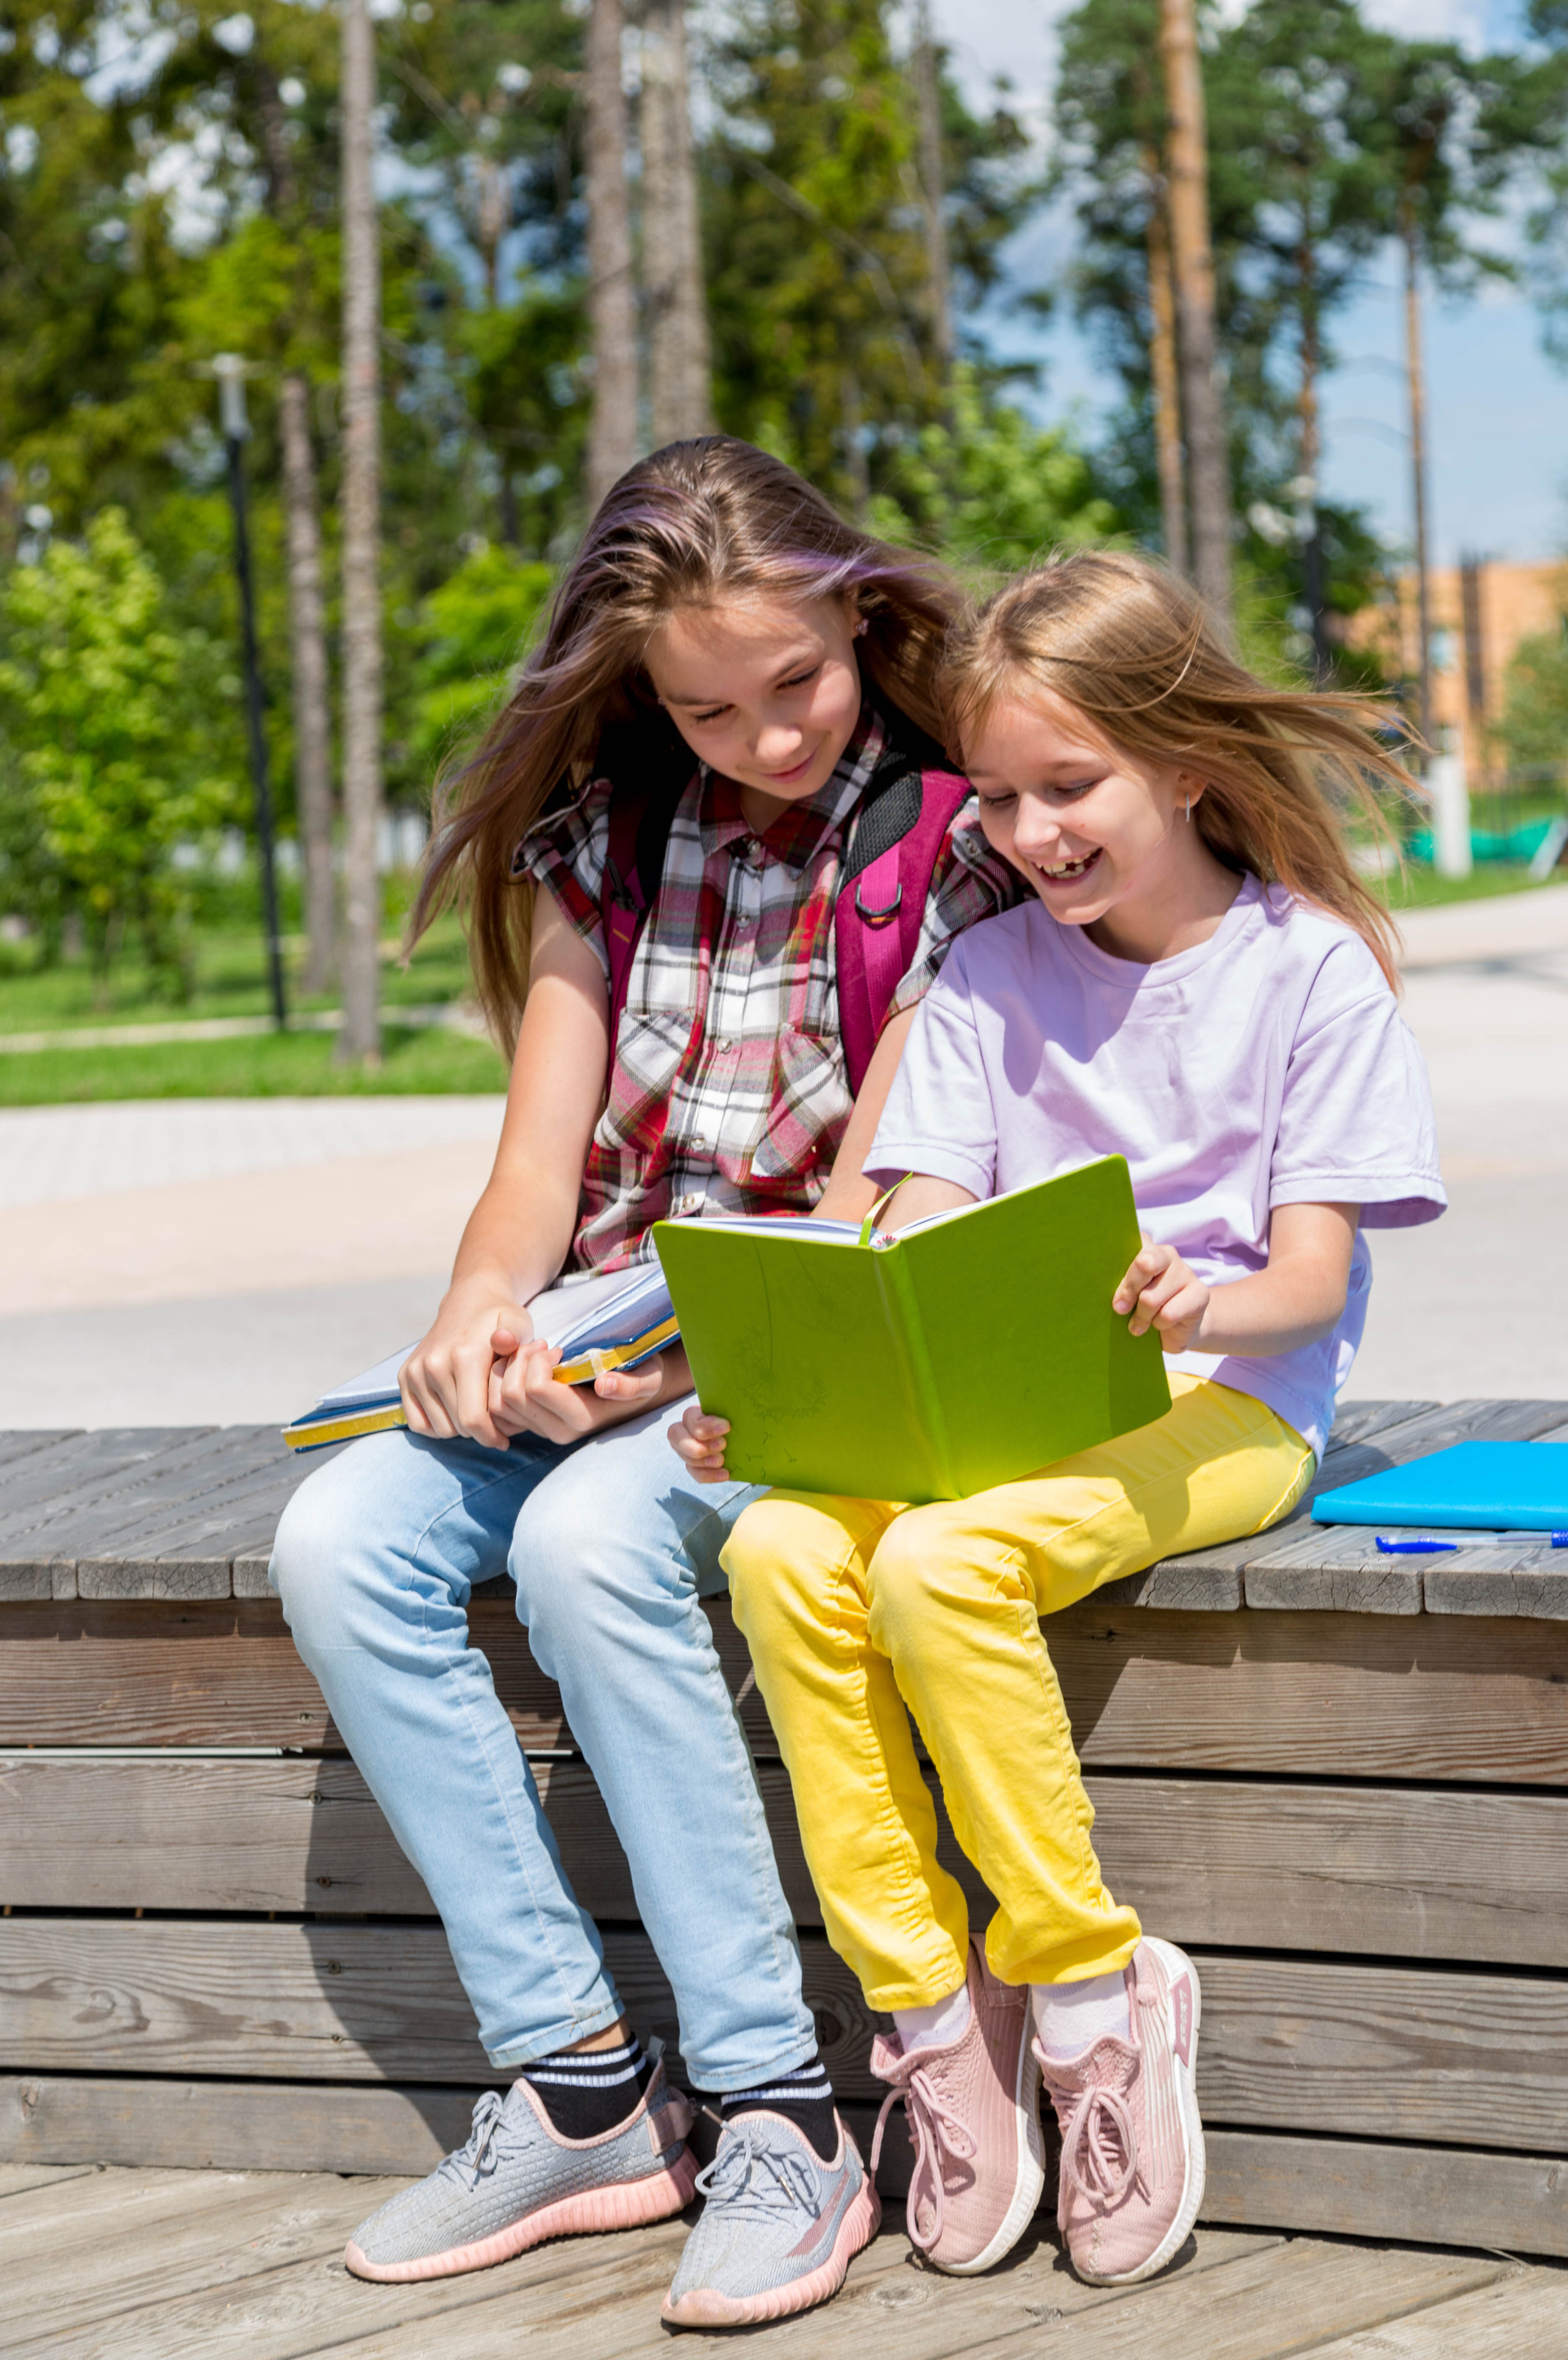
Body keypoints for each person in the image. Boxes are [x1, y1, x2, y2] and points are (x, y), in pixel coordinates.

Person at [268, 436, 1019, 2327]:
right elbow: (540, 1166)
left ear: (861, 617)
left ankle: (779, 2107)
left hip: (805, 1341)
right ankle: (586, 2088)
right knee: (341, 1535)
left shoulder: (938, 840)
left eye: (799, 686)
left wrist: (650, 1381)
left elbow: (866, 1210)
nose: (763, 735)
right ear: (636, 691)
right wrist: (478, 1315)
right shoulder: (608, 836)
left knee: (601, 1535)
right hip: (616, 1333)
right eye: (707, 705)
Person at [674, 549, 1445, 2291]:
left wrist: (1201, 1297)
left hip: (1229, 1404)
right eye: (1005, 797)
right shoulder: (993, 979)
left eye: (1072, 787)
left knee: (945, 1570)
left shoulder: (1308, 970)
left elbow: (1311, 1284)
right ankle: (941, 2025)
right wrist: (777, 1401)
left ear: (1186, 763)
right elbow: (910, 1231)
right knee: (787, 1542)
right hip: (1014, 1420)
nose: (1030, 830)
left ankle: (1092, 1999)